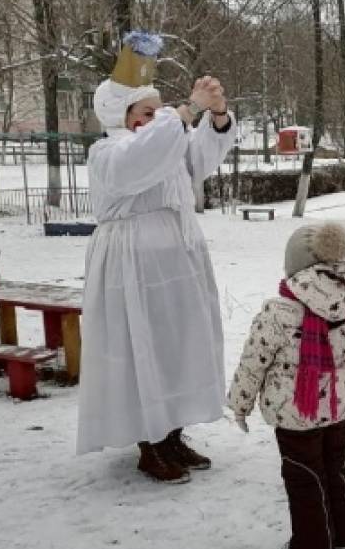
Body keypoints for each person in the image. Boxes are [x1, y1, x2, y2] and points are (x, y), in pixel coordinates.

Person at [76, 31, 237, 482]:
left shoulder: (161, 143)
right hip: (134, 265)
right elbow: (146, 155)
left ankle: (171, 434)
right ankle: (149, 443)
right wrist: (185, 110)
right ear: (120, 116)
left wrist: (217, 114)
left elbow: (196, 157)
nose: (158, 119)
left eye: (157, 112)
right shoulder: (109, 153)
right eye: (147, 112)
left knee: (180, 345)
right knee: (143, 347)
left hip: (176, 261)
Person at [228, 223, 345, 549]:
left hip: (296, 414)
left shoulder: (279, 311)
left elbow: (253, 363)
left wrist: (240, 404)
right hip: (339, 406)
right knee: (336, 468)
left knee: (305, 477)